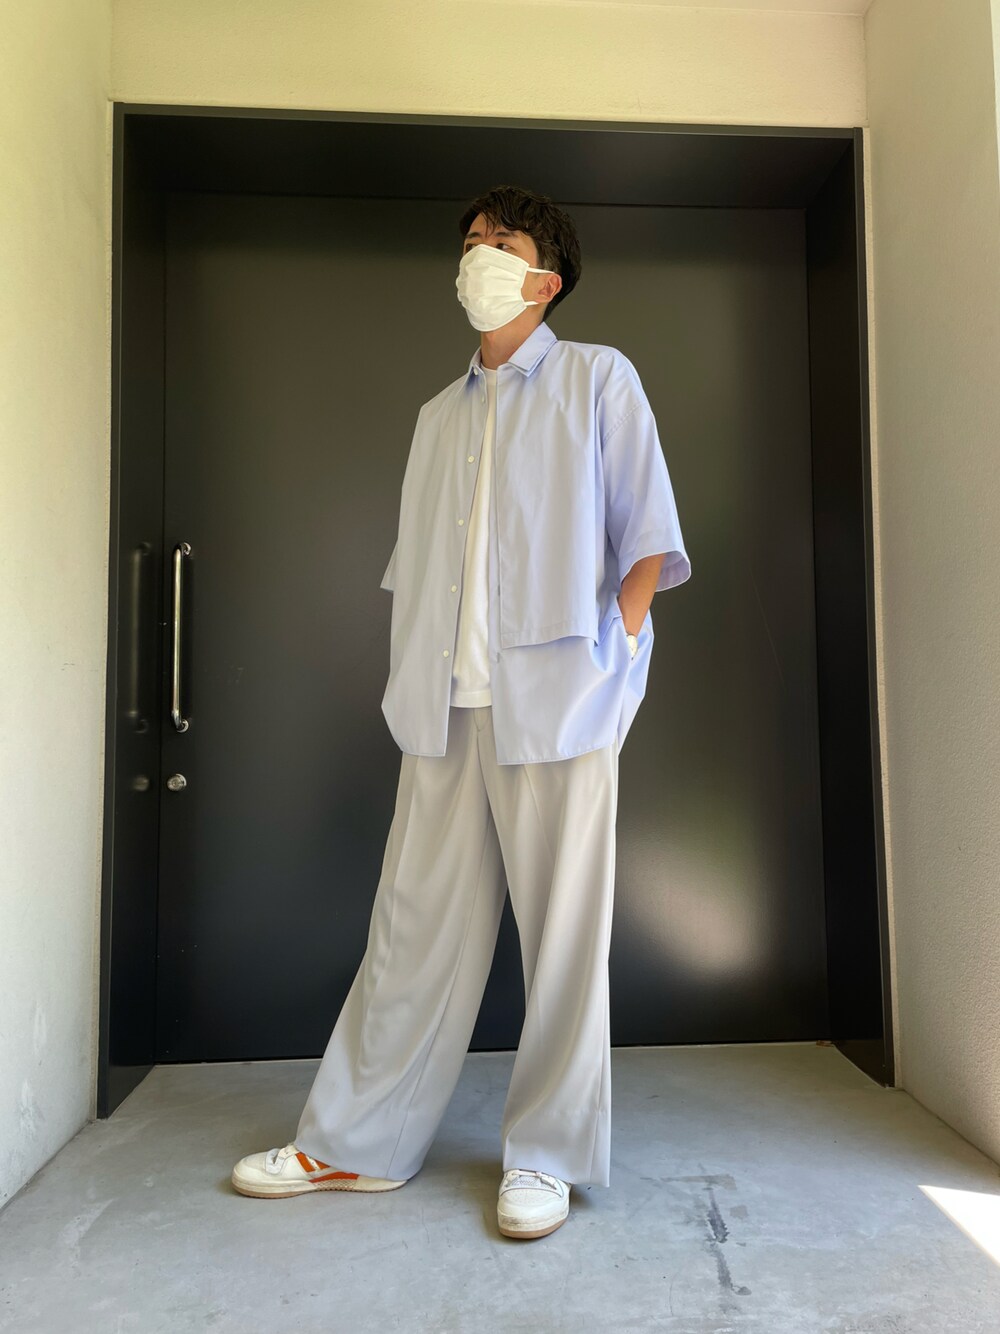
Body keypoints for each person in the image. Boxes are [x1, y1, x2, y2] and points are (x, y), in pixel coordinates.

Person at [232, 184, 691, 1240]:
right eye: (470, 241)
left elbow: (650, 543)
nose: (477, 254)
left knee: (565, 942)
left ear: (545, 277)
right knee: (411, 930)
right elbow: (422, 573)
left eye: (501, 241)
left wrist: (614, 658)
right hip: (444, 709)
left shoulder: (598, 379)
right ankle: (353, 1144)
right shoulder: (436, 419)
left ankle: (546, 1158)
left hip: (559, 704)